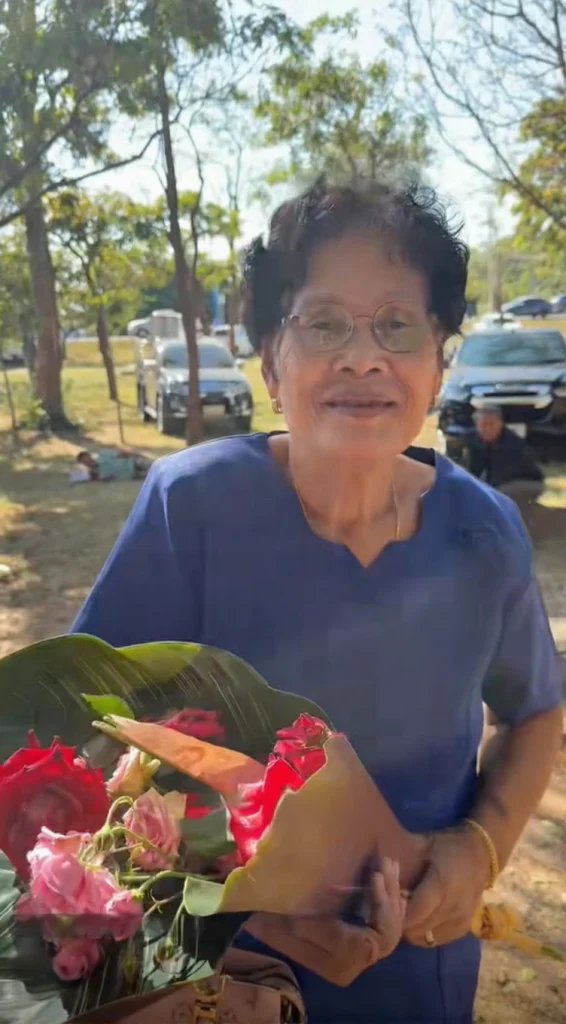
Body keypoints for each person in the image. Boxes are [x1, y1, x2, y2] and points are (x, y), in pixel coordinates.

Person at [71, 179, 563, 1024]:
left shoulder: (485, 537)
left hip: (421, 972)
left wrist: (476, 852)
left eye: (398, 325)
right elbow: (90, 741)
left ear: (440, 359)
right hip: (226, 981)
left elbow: (536, 715)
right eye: (324, 323)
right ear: (269, 359)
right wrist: (259, 912)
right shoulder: (191, 510)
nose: (363, 357)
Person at [466, 407, 544, 502]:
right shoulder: (475, 441)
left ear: (500, 424)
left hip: (525, 481)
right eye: (482, 425)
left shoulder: (511, 444)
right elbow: (473, 471)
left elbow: (498, 478)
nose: (486, 429)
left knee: (496, 496)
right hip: (503, 482)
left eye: (490, 424)